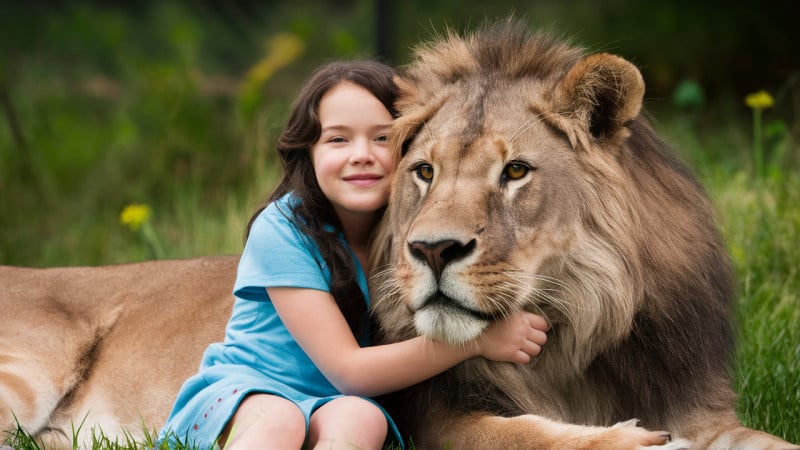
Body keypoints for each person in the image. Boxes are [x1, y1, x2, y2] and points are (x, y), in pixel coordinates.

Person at [157, 59, 549, 450]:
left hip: (332, 402)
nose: (361, 154)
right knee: (279, 422)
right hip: (252, 393)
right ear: (307, 152)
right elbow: (349, 370)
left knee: (363, 420)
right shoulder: (281, 230)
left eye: (381, 139)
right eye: (338, 139)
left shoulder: (396, 228)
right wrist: (476, 342)